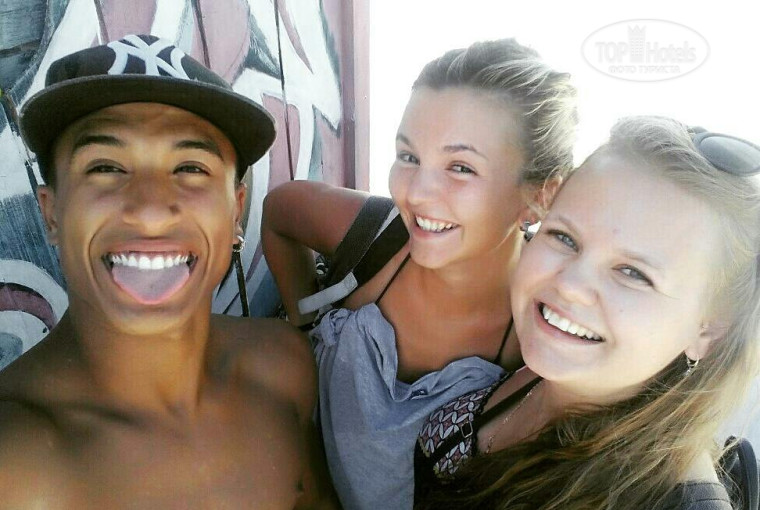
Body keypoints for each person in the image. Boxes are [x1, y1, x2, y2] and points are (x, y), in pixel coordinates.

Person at [0, 34, 336, 509]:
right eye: (106, 167)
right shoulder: (16, 463)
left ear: (236, 212)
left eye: (191, 168)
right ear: (52, 213)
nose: (151, 211)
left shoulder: (284, 369)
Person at [262, 38, 578, 508]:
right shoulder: (374, 238)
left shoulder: (541, 332)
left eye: (460, 167)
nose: (417, 194)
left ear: (540, 196)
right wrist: (302, 326)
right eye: (409, 156)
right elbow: (279, 211)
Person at [414, 116, 760, 510]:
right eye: (564, 237)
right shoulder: (540, 366)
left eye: (633, 273)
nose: (570, 285)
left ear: (708, 330)